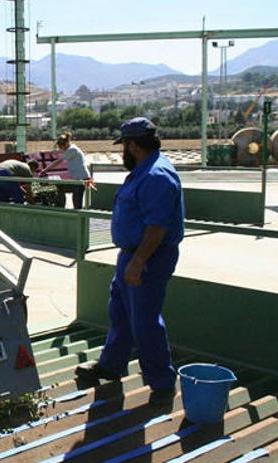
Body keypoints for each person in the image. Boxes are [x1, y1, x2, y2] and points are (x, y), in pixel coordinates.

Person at [75, 117, 185, 406]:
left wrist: (138, 262)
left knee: (145, 320)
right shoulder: (144, 171)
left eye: (124, 145)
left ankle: (162, 382)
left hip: (147, 257)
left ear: (133, 145)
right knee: (121, 314)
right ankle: (111, 366)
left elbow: (157, 227)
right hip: (132, 255)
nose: (123, 150)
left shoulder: (156, 176)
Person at [41, 132, 94, 209]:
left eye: (61, 146)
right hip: (79, 178)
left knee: (76, 199)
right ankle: (63, 208)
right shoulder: (71, 149)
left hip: (81, 178)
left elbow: (59, 161)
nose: (61, 149)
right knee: (63, 189)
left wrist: (45, 170)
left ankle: (77, 216)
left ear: (65, 144)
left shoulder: (72, 150)